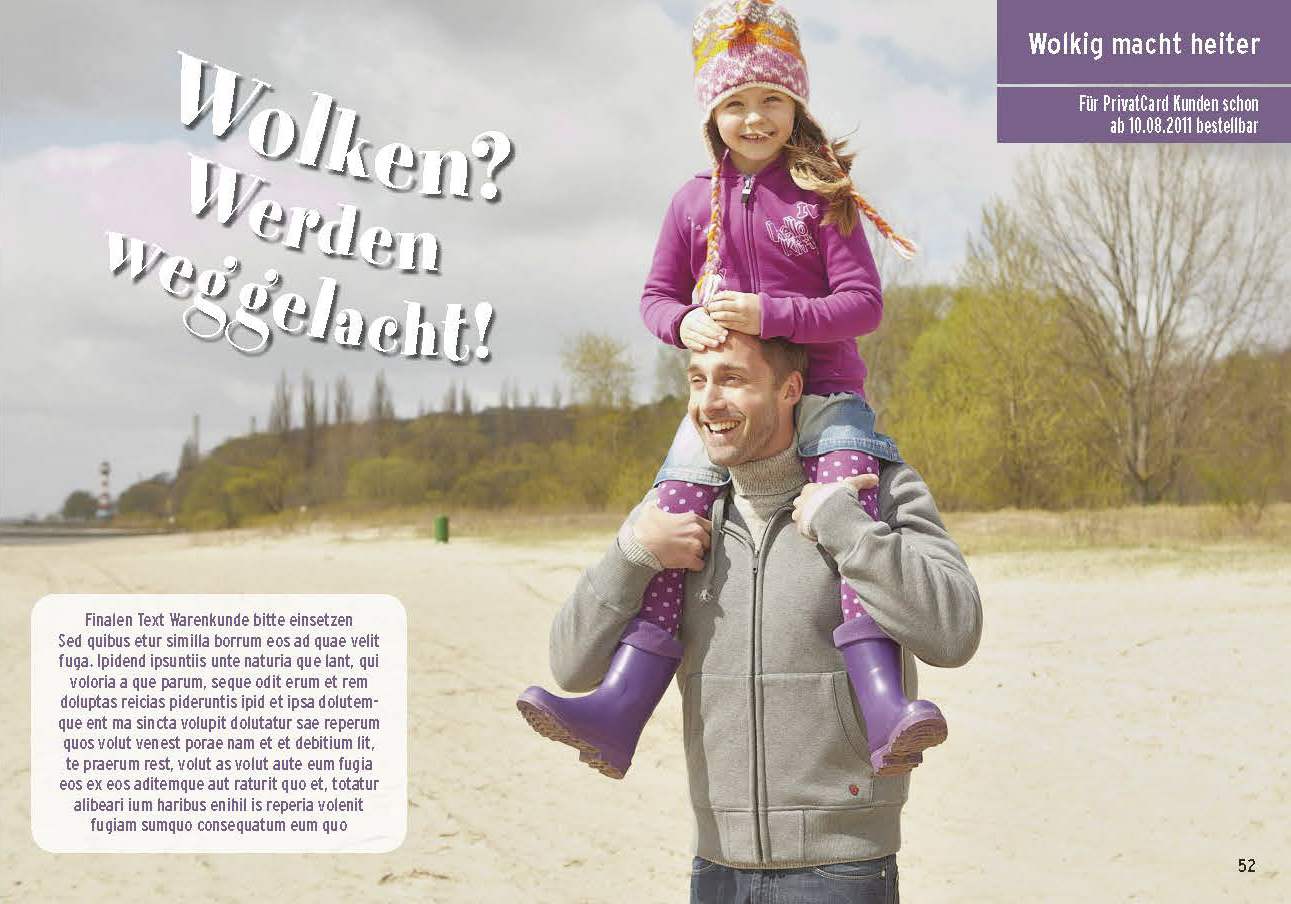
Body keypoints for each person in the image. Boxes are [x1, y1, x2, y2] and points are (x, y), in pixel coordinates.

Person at [517, 0, 945, 779]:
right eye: (735, 104)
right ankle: (617, 707)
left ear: (796, 105)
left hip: (824, 397)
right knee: (669, 526)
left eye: (771, 101)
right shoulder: (689, 204)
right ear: (711, 114)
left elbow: (865, 305)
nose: (754, 118)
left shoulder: (822, 194)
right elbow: (653, 298)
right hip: (724, 403)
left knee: (847, 509)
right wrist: (682, 326)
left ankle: (884, 707)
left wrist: (769, 312)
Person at [534, 332, 982, 900]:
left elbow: (957, 629)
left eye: (733, 379)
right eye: (698, 380)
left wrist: (846, 527)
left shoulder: (874, 489)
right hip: (716, 865)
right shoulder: (676, 513)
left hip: (842, 868)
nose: (708, 402)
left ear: (790, 388)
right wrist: (631, 555)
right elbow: (570, 667)